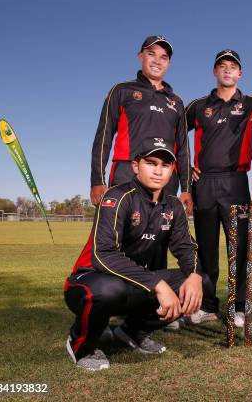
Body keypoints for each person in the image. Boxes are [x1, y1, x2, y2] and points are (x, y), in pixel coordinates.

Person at [64, 137, 212, 371]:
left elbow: (186, 248)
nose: (158, 171)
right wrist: (158, 284)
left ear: (172, 170)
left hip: (135, 283)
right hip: (89, 281)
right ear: (136, 166)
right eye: (151, 163)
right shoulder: (117, 196)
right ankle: (81, 344)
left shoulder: (173, 206)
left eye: (164, 166)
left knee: (201, 282)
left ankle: (132, 331)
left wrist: (193, 275)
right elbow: (104, 254)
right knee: (110, 289)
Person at [180, 49, 252, 326]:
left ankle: (240, 306)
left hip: (235, 182)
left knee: (239, 247)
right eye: (222, 66)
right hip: (204, 182)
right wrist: (185, 170)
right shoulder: (198, 105)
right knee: (206, 249)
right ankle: (207, 305)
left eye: (233, 67)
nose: (228, 70)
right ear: (214, 72)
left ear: (240, 73)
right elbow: (174, 133)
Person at [89, 35, 193, 212]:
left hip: (165, 176)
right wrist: (97, 180)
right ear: (140, 56)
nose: (157, 61)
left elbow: (183, 148)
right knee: (118, 233)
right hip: (127, 171)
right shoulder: (122, 90)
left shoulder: (177, 102)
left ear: (169, 63)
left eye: (164, 57)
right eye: (151, 54)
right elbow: (103, 136)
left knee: (160, 235)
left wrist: (186, 189)